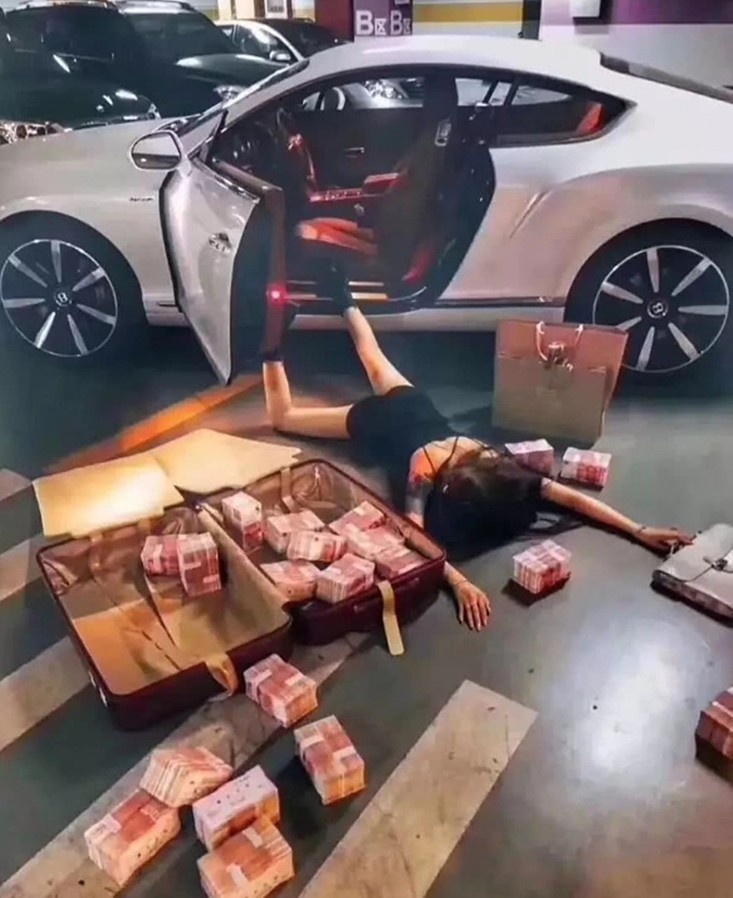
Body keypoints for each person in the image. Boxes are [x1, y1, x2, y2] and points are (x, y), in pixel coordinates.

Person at [262, 297, 692, 631]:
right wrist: (459, 582)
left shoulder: (491, 458)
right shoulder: (424, 470)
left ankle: (344, 299)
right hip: (376, 421)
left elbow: (573, 500)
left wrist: (638, 529)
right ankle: (271, 345)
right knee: (284, 419)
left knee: (372, 357)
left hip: (415, 404)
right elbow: (417, 537)